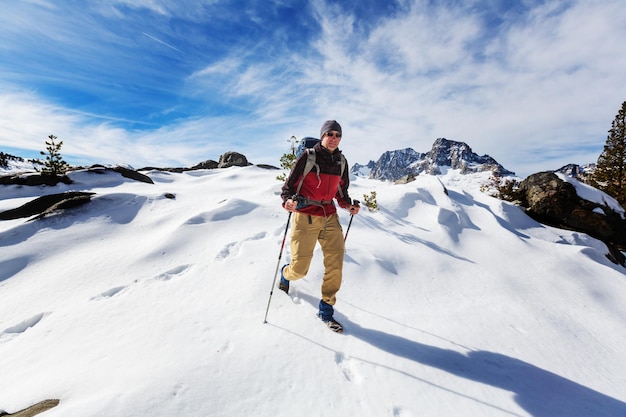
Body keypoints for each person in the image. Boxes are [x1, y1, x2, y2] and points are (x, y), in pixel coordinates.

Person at [279, 120, 360, 333]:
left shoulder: (341, 161)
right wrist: (288, 201)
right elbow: (288, 188)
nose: (334, 138)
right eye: (330, 134)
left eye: (338, 135)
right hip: (305, 216)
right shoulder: (307, 157)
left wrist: (348, 205)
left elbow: (341, 193)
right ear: (323, 136)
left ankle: (326, 310)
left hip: (329, 217)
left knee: (335, 264)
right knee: (299, 269)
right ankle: (285, 274)